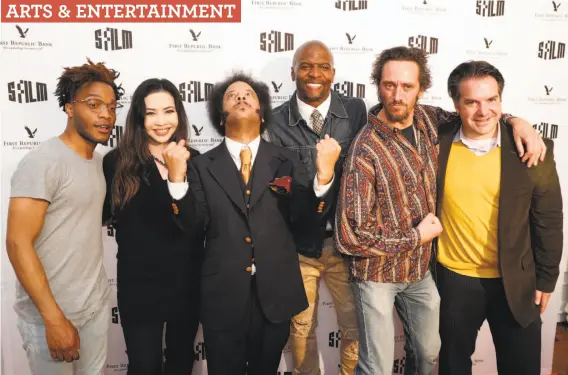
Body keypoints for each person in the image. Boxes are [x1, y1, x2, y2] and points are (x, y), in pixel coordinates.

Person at [334, 46, 546, 375]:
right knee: (375, 366)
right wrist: (417, 236)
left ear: (421, 87)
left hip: (420, 274)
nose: (398, 94)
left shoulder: (432, 121)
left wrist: (519, 122)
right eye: (390, 85)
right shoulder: (365, 147)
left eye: (407, 86)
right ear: (378, 85)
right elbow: (350, 238)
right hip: (377, 275)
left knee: (430, 354)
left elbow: (479, 111)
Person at [175, 72, 340, 375]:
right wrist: (176, 181)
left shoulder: (287, 160)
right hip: (222, 296)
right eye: (232, 95)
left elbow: (306, 222)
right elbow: (192, 225)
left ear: (262, 114)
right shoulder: (199, 166)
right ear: (220, 117)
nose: (241, 97)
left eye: (248, 94)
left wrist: (324, 178)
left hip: (275, 295)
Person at [435, 60, 563, 375]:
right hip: (453, 280)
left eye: (492, 100)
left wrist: (546, 279)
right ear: (455, 105)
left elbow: (548, 219)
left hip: (516, 281)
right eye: (472, 102)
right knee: (452, 367)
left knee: (522, 367)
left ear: (501, 100)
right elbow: (383, 111)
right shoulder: (436, 140)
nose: (483, 110)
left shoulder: (532, 148)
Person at [5, 58, 123, 374]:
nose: (105, 115)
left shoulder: (101, 162)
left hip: (94, 309)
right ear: (70, 108)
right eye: (94, 104)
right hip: (51, 316)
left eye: (111, 107)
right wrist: (53, 318)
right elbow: (17, 243)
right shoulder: (43, 161)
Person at [264, 40, 365, 375]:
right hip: (299, 247)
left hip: (345, 244)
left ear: (334, 74)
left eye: (323, 66)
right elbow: (279, 188)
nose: (314, 73)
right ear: (292, 72)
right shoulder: (276, 122)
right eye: (306, 65)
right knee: (299, 329)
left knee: (355, 327)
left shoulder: (356, 111)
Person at [102, 78, 202, 375]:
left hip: (187, 282)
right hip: (140, 285)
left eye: (168, 111)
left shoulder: (195, 162)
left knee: (182, 362)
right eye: (151, 113)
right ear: (138, 118)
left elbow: (195, 224)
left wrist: (176, 176)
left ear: (179, 114)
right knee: (144, 366)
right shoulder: (116, 163)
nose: (161, 122)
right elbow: (108, 215)